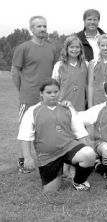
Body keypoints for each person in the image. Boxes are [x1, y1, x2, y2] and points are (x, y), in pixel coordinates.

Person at [17, 79, 96, 192]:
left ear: (60, 92)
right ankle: (59, 171)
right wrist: (28, 157)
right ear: (41, 93)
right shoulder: (32, 111)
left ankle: (78, 181)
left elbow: (80, 133)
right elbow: (25, 137)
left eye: (56, 92)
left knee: (88, 154)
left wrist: (89, 156)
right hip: (47, 156)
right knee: (50, 191)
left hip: (68, 147)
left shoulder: (67, 108)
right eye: (49, 93)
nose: (53, 95)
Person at [11, 15, 59, 173]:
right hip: (28, 97)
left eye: (44, 26)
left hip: (48, 98)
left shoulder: (52, 48)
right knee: (25, 131)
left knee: (46, 129)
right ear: (31, 29)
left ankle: (48, 160)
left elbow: (55, 72)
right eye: (39, 26)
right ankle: (22, 162)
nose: (43, 29)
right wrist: (22, 90)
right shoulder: (23, 48)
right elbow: (15, 72)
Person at [52, 35, 88, 111]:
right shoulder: (59, 65)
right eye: (71, 47)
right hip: (63, 105)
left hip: (80, 106)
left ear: (81, 49)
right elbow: (54, 86)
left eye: (77, 47)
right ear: (66, 49)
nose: (74, 50)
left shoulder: (86, 65)